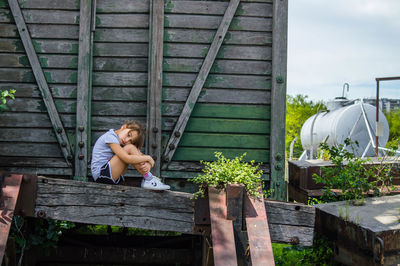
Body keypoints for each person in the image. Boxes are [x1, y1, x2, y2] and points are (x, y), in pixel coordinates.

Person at [90, 121, 170, 190]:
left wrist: (147, 163)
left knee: (131, 148)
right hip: (101, 175)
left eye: (130, 140)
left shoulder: (119, 141)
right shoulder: (110, 137)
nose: (126, 140)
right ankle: (148, 178)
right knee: (129, 148)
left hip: (109, 174)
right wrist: (148, 158)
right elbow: (127, 158)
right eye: (129, 135)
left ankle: (148, 177)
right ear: (124, 127)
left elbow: (138, 155)